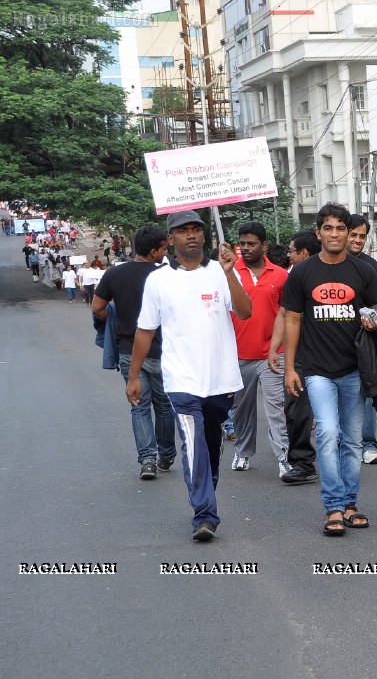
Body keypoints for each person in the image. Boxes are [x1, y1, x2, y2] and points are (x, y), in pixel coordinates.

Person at [127, 210, 252, 542]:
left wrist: (229, 274)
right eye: (183, 231)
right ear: (171, 239)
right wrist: (133, 375)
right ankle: (204, 514)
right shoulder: (158, 280)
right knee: (193, 446)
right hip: (181, 380)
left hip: (221, 379)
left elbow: (245, 311)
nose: (191, 235)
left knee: (210, 445)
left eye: (197, 229)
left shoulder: (221, 272)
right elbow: (145, 330)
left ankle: (205, 490)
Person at [282, 203, 377, 536]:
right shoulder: (302, 273)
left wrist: (374, 321)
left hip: (355, 369)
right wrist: (290, 368)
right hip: (315, 370)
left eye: (341, 228)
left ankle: (351, 504)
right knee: (327, 432)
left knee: (353, 441)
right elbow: (293, 319)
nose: (335, 234)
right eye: (329, 228)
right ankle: (334, 507)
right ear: (318, 233)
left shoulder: (366, 272)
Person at [94, 226, 177, 479]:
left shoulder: (114, 273)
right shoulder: (166, 276)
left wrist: (116, 315)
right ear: (154, 251)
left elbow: (98, 307)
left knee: (139, 407)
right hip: (162, 351)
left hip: (129, 351)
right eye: (164, 248)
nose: (165, 253)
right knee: (165, 407)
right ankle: (166, 454)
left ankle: (147, 461)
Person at [228, 221, 292, 477]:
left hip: (272, 354)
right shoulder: (230, 273)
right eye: (242, 243)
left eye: (251, 244)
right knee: (241, 409)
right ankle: (243, 453)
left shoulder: (280, 274)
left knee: (276, 407)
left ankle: (283, 457)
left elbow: (287, 314)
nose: (245, 248)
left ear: (263, 245)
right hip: (238, 354)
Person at [272, 230, 321, 485]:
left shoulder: (341, 271)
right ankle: (302, 462)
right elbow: (286, 315)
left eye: (291, 250)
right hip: (301, 355)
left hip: (334, 355)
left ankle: (343, 457)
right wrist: (276, 351)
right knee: (297, 409)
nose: (288, 255)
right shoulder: (295, 278)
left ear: (303, 252)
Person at [346, 215, 377, 465]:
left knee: (369, 393)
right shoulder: (326, 264)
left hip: (367, 341)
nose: (358, 240)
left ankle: (368, 445)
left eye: (362, 235)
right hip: (333, 342)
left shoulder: (371, 267)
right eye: (354, 234)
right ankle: (344, 443)